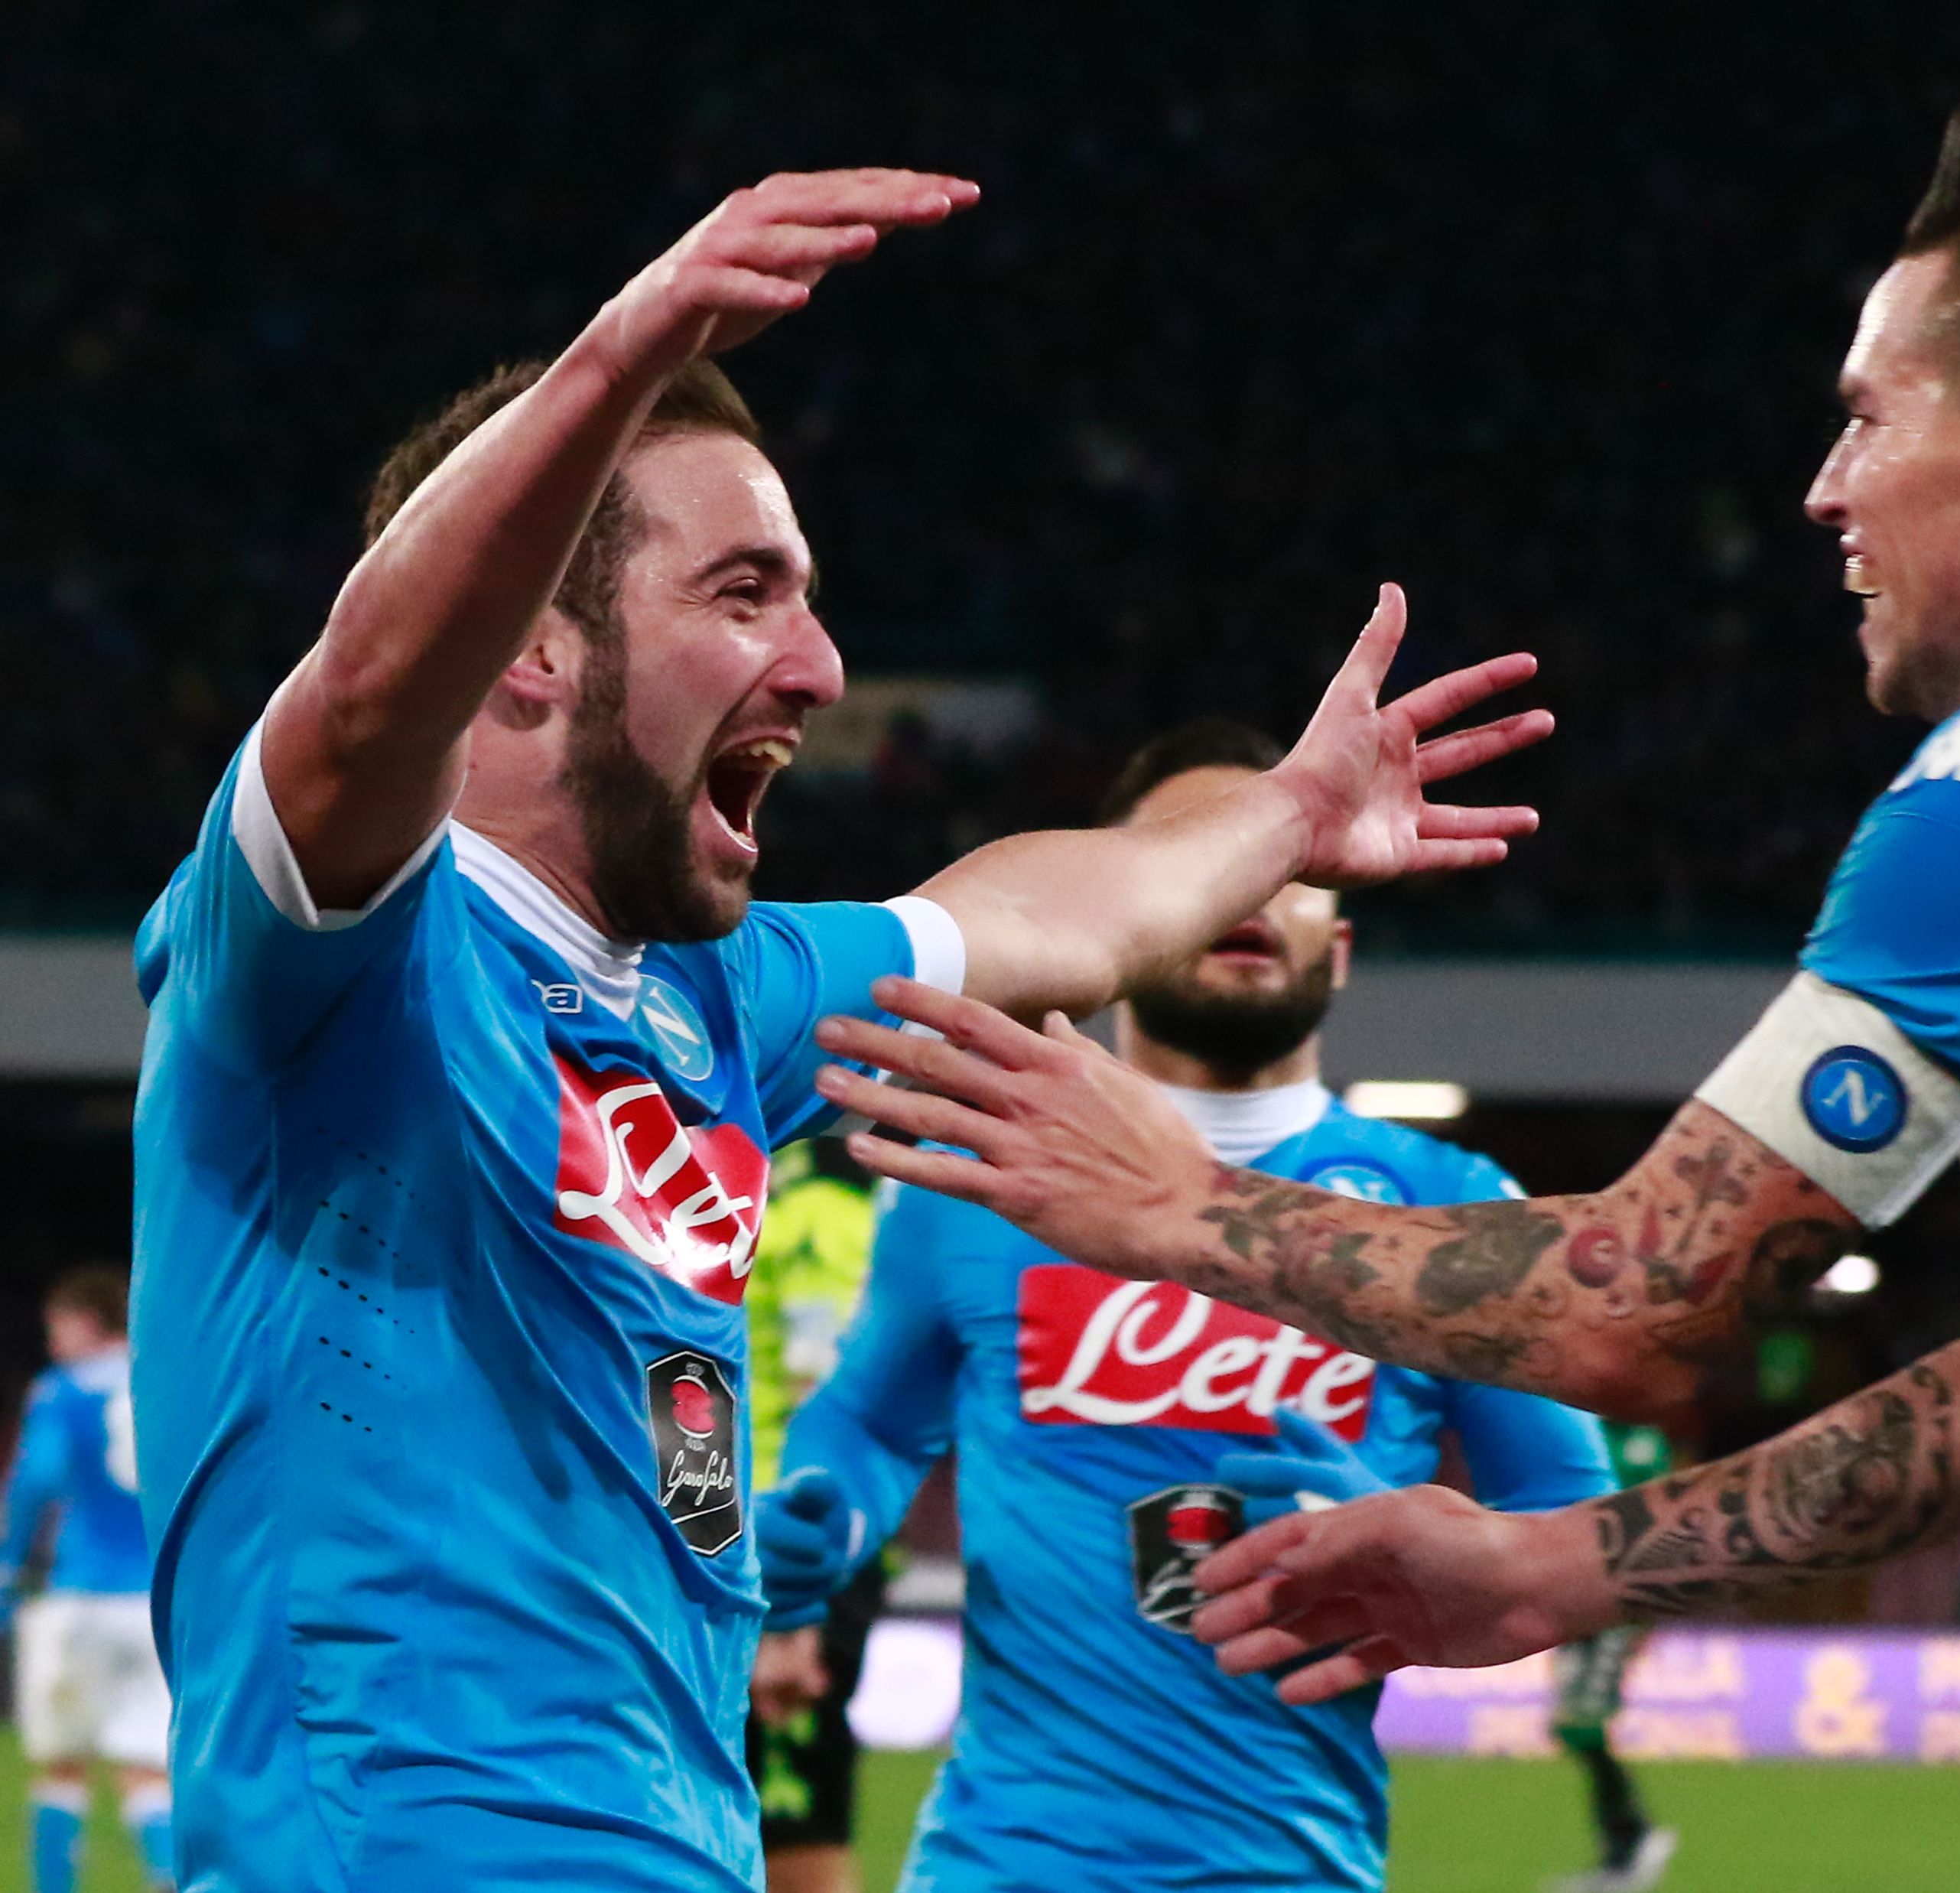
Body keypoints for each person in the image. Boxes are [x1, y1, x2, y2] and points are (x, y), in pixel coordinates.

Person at [811, 94, 1960, 1891]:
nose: (1824, 487)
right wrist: (1560, 1571)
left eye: (1869, 417)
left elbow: (1631, 1308)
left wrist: (1170, 1199)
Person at [127, 167, 1549, 1893]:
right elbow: (360, 701)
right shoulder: (334, 957)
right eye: (744, 593)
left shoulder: (711, 995)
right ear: (524, 652)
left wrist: (1286, 817)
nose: (815, 664)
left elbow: (1044, 914)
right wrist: (615, 362)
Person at [754, 718, 1615, 1891]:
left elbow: (1578, 1517)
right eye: (1206, 856)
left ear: (1342, 944)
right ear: (1121, 914)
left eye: (1292, 869)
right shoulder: (978, 1189)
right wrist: (830, 1516)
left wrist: (1429, 1555)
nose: (1256, 891)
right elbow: (868, 1420)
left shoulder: (1453, 1209)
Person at [743, 1141, 892, 1893]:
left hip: (764, 1549)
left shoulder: (791, 1196)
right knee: (775, 1829)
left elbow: (821, 1393)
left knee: (779, 1834)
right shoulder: (823, 1203)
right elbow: (828, 1391)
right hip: (782, 1548)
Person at [2, 1267, 174, 1893]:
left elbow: (38, 1478)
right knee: (148, 1770)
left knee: (60, 1769)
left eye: (57, 1328)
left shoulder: (61, 1391)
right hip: (153, 1604)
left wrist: (11, 1563)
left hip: (81, 1598)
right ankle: (168, 1880)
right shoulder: (162, 1378)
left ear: (85, 1321)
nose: (52, 1343)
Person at [1543, 1420, 1676, 1893]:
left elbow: (1656, 1529)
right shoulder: (1584, 1431)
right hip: (1576, 1602)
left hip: (1616, 1605)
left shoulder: (1642, 1442)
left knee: (1584, 1723)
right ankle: (1626, 1843)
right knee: (1573, 1727)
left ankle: (1631, 1842)